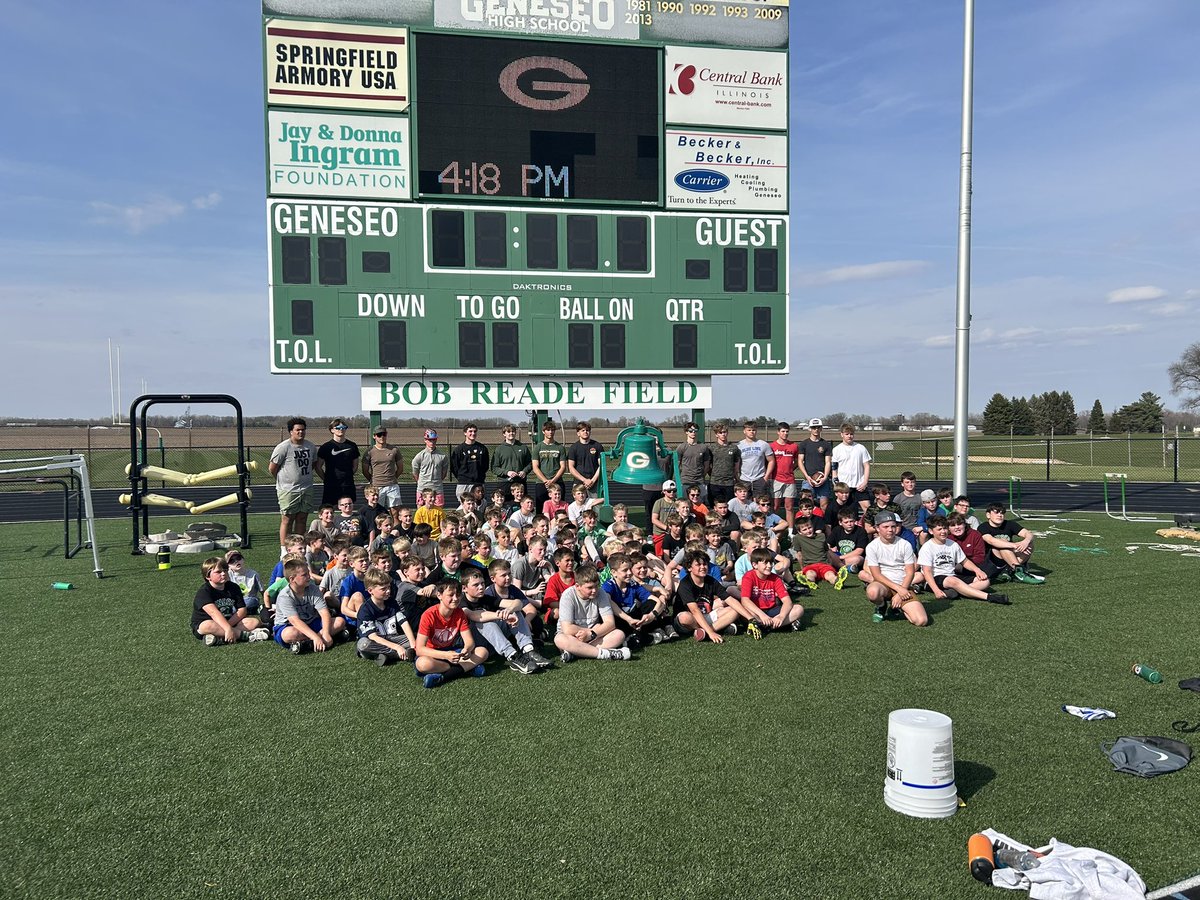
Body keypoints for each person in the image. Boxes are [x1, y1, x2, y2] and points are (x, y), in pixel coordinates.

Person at [917, 515, 1009, 605]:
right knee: (953, 581)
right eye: (939, 529)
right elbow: (927, 571)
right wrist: (936, 590)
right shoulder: (927, 547)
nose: (943, 532)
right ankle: (990, 597)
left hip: (952, 576)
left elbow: (965, 561)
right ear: (931, 531)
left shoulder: (952, 544)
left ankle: (956, 592)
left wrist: (978, 570)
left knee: (985, 581)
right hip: (934, 578)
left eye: (945, 528)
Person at [414, 581, 489, 688]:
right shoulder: (428, 615)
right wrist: (445, 655)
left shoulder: (459, 613)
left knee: (482, 652)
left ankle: (443, 677)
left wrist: (467, 649)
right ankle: (467, 668)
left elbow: (469, 641)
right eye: (450, 595)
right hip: (433, 655)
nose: (455, 598)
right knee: (422, 664)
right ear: (439, 595)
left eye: (458, 595)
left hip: (453, 652)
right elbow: (420, 649)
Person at [554, 565, 632, 662]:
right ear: (577, 586)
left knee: (619, 634)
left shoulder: (601, 593)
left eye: (596, 586)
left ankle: (576, 652)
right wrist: (590, 631)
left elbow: (610, 623)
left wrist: (591, 634)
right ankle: (606, 654)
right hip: (573, 636)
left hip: (594, 635)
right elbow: (567, 629)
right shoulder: (568, 595)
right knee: (560, 639)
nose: (594, 590)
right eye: (589, 587)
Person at [864, 511, 927, 626]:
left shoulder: (905, 544)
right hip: (884, 585)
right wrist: (900, 590)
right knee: (872, 592)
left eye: (893, 526)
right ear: (877, 528)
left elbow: (910, 572)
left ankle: (899, 607)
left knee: (921, 621)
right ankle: (881, 606)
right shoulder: (872, 547)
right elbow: (876, 575)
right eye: (886, 527)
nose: (890, 530)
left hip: (904, 585)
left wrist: (901, 592)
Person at [272, 558, 348, 653]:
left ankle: (307, 644)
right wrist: (316, 637)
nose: (309, 577)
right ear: (292, 579)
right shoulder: (285, 596)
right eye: (304, 575)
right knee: (289, 634)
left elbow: (324, 613)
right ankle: (318, 641)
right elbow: (295, 621)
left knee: (340, 621)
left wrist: (326, 633)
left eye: (308, 573)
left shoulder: (313, 589)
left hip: (312, 622)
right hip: (290, 626)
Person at [269, 417, 320, 552]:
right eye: (297, 430)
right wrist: (283, 480)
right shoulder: (283, 447)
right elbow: (272, 468)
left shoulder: (310, 446)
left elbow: (313, 464)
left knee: (302, 518)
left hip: (306, 488)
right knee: (287, 519)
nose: (301, 432)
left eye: (303, 430)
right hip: (288, 490)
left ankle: (298, 547)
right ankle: (285, 550)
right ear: (291, 431)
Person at [191, 556, 266, 645]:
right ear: (208, 576)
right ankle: (249, 635)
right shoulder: (204, 592)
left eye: (225, 570)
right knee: (207, 625)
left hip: (229, 621)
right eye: (218, 572)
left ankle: (218, 638)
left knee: (254, 622)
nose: (223, 574)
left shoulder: (233, 587)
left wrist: (228, 627)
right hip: (209, 623)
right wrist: (227, 629)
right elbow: (214, 613)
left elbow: (242, 610)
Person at [603, 552, 670, 648]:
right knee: (611, 616)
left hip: (633, 620)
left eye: (630, 569)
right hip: (620, 621)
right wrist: (629, 619)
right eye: (625, 570)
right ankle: (642, 637)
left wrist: (651, 615)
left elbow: (657, 601)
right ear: (614, 572)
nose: (629, 573)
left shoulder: (632, 584)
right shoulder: (608, 585)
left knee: (651, 603)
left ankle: (635, 637)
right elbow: (609, 603)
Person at [673, 550, 741, 642]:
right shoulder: (685, 584)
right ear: (689, 568)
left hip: (706, 614)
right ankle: (718, 628)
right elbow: (694, 611)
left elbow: (729, 599)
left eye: (704, 564)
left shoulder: (711, 580)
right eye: (698, 565)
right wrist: (711, 633)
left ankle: (704, 632)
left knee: (734, 610)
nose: (703, 567)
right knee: (685, 617)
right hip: (691, 618)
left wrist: (751, 619)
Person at [355, 568, 416, 665]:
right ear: (370, 590)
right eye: (383, 589)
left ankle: (384, 655)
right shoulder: (365, 610)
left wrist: (413, 644)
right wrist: (397, 647)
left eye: (389, 587)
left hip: (393, 638)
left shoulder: (392, 602)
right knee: (363, 644)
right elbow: (373, 636)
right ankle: (399, 654)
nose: (388, 591)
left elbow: (403, 622)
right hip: (376, 642)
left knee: (416, 637)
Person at [740, 547, 805, 637]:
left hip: (772, 610)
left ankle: (767, 626)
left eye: (771, 562)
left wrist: (781, 616)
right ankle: (781, 624)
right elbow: (745, 600)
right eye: (765, 563)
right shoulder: (748, 576)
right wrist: (762, 615)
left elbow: (787, 601)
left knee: (798, 609)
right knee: (743, 613)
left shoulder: (775, 578)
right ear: (754, 565)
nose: (769, 566)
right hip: (756, 611)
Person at [977, 503, 1045, 584]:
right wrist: (1014, 545)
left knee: (1030, 545)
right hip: (991, 562)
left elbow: (1029, 534)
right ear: (988, 515)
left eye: (1002, 513)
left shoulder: (1009, 524)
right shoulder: (983, 527)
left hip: (1008, 555)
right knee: (1003, 546)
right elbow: (991, 541)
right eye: (996, 512)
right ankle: (1020, 573)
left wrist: (1025, 541)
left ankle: (1009, 570)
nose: (1000, 515)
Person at [361, 425, 405, 524]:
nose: (382, 437)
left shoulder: (394, 450)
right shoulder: (369, 452)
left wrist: (392, 478)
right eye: (379, 435)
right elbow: (365, 470)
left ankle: (395, 535)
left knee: (395, 513)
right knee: (377, 513)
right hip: (377, 487)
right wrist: (373, 480)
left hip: (392, 486)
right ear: (374, 436)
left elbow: (400, 468)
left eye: (384, 434)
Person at [315, 417, 361, 506]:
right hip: (331, 486)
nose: (341, 430)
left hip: (348, 485)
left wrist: (347, 476)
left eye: (343, 428)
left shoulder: (352, 446)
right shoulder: (326, 447)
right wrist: (326, 479)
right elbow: (318, 467)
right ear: (332, 430)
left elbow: (355, 466)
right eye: (338, 428)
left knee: (347, 510)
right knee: (330, 510)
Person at [830, 423, 871, 513]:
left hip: (859, 485)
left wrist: (865, 482)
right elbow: (834, 469)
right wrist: (836, 484)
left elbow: (867, 466)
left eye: (851, 434)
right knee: (843, 511)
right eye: (847, 434)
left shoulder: (861, 448)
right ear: (842, 434)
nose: (849, 436)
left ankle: (867, 527)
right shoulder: (837, 449)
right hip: (844, 486)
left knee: (867, 509)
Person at [530, 419, 567, 516]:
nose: (550, 432)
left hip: (557, 482)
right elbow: (535, 467)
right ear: (543, 431)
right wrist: (545, 480)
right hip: (541, 483)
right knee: (541, 510)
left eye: (552, 430)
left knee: (560, 509)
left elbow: (563, 466)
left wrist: (553, 480)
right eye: (548, 430)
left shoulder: (560, 448)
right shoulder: (538, 447)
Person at [769, 422, 800, 530]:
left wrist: (792, 468)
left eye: (787, 431)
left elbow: (797, 461)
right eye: (783, 431)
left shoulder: (794, 446)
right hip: (776, 479)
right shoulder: (771, 446)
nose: (785, 433)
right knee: (775, 506)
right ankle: (773, 528)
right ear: (778, 432)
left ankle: (790, 532)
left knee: (789, 507)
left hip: (790, 480)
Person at [491, 423, 532, 505]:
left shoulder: (523, 447)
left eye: (513, 431)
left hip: (520, 483)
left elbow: (530, 463)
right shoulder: (499, 449)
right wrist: (507, 472)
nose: (511, 433)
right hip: (504, 483)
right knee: (504, 506)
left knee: (522, 506)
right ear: (504, 434)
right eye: (508, 432)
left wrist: (524, 471)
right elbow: (494, 468)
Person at [798, 418, 833, 511]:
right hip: (808, 480)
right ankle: (806, 525)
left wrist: (825, 477)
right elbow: (800, 461)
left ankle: (823, 525)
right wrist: (807, 476)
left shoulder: (826, 444)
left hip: (823, 480)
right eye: (813, 427)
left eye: (818, 427)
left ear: (821, 428)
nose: (816, 429)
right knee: (805, 505)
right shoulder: (804, 444)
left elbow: (828, 462)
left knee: (824, 506)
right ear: (810, 429)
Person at [450, 423, 490, 503]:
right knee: (464, 507)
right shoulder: (459, 449)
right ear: (465, 433)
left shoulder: (482, 448)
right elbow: (454, 467)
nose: (473, 433)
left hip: (478, 482)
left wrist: (479, 476)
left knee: (479, 507)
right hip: (464, 483)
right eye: (470, 431)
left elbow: (485, 465)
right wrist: (463, 476)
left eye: (475, 431)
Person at [410, 429, 449, 508]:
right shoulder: (419, 456)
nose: (432, 442)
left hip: (437, 489)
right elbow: (415, 473)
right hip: (422, 489)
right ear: (425, 440)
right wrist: (421, 481)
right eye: (430, 440)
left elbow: (444, 473)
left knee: (438, 515)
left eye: (434, 440)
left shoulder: (443, 456)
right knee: (421, 515)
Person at [566, 421, 605, 499]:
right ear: (578, 433)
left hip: (594, 483)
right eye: (582, 430)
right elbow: (571, 467)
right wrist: (584, 480)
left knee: (595, 508)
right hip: (579, 483)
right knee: (579, 507)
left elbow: (602, 465)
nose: (585, 432)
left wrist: (592, 481)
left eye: (587, 430)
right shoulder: (573, 448)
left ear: (590, 432)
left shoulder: (597, 446)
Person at [676, 423, 712, 504]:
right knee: (684, 504)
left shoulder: (703, 447)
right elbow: (677, 465)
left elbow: (707, 465)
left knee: (700, 504)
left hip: (699, 481)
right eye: (691, 431)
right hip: (685, 481)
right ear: (686, 432)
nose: (693, 432)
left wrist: (701, 475)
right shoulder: (681, 447)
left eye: (695, 430)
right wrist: (678, 479)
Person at [736, 421, 774, 497]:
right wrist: (737, 477)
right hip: (744, 479)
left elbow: (771, 460)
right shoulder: (739, 445)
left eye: (753, 430)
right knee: (745, 503)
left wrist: (766, 477)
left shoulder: (763, 444)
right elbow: (736, 463)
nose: (751, 432)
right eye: (749, 430)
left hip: (759, 479)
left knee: (760, 503)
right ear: (744, 431)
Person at [708, 423, 742, 505]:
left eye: (724, 432)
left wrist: (735, 477)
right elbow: (707, 465)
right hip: (715, 482)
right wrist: (712, 475)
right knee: (715, 506)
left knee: (728, 506)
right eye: (720, 433)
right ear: (716, 434)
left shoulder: (733, 448)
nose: (723, 434)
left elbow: (736, 464)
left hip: (729, 483)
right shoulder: (711, 448)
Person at [224, 550, 264, 616]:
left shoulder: (253, 574)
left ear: (243, 559)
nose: (236, 561)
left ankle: (240, 611)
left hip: (250, 599)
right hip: (235, 601)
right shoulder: (227, 575)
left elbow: (262, 591)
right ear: (228, 566)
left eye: (238, 558)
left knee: (249, 601)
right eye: (232, 561)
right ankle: (247, 611)